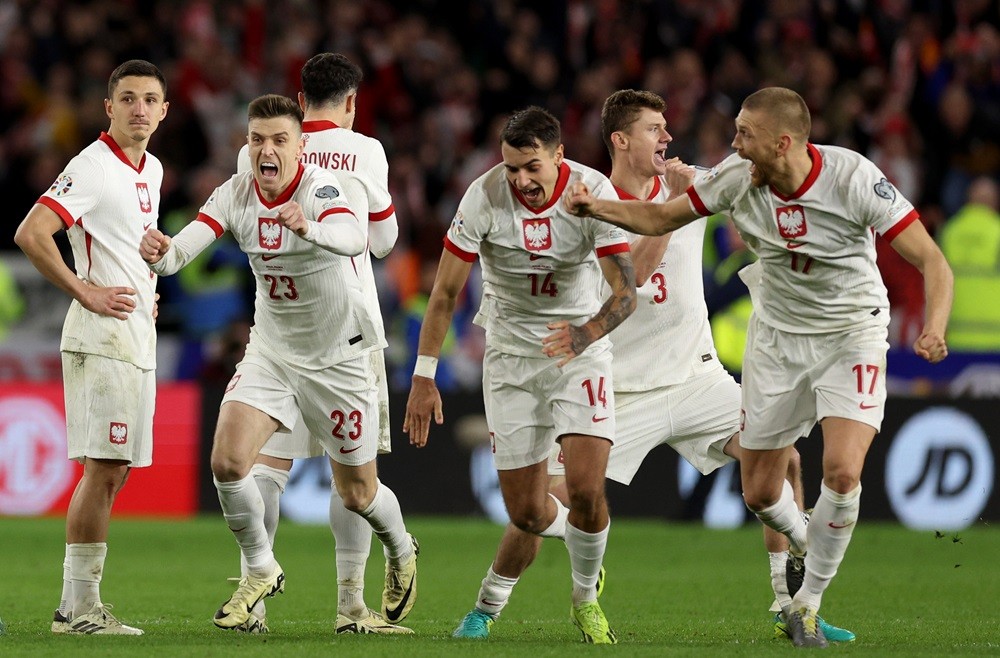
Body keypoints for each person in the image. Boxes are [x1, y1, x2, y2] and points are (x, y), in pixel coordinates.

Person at [450, 89, 853, 644]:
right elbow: (629, 282)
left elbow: (770, 175)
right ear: (620, 140)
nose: (667, 138)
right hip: (619, 387)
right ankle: (487, 607)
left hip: (695, 377)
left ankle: (793, 607)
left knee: (782, 460)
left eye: (667, 128)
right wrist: (678, 209)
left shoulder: (696, 185)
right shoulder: (586, 200)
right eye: (653, 129)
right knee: (544, 505)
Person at [565, 86, 953, 648]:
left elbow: (930, 259)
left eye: (745, 133)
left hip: (851, 335)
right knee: (759, 491)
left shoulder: (853, 178)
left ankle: (807, 606)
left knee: (841, 472)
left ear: (783, 141)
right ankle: (801, 540)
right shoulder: (735, 177)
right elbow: (659, 217)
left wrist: (935, 325)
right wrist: (594, 205)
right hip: (775, 342)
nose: (734, 142)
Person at [139, 93, 417, 633]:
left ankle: (402, 548)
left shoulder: (321, 189)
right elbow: (180, 254)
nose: (267, 149)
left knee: (357, 492)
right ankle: (261, 570)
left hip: (340, 355)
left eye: (279, 139)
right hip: (273, 351)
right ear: (247, 145)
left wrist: (309, 226)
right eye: (257, 139)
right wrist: (160, 251)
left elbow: (353, 234)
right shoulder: (237, 191)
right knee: (227, 463)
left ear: (301, 145)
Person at [404, 106, 637, 644]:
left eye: (532, 167)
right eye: (512, 168)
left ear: (559, 155)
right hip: (509, 354)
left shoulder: (592, 191)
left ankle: (585, 600)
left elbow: (626, 293)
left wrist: (585, 334)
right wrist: (424, 375)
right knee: (528, 512)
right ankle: (585, 542)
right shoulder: (483, 197)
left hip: (579, 349)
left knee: (584, 488)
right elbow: (443, 293)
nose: (521, 180)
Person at [228, 52, 410, 635]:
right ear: (353, 103)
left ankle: (251, 599)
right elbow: (382, 242)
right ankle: (351, 606)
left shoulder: (258, 151)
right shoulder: (369, 151)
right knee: (350, 478)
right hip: (346, 330)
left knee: (265, 466)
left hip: (283, 324)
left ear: (300, 104)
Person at [14, 59, 168, 636]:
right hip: (99, 338)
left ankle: (76, 605)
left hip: (135, 335)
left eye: (149, 99)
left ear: (163, 110)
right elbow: (31, 233)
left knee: (114, 470)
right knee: (103, 468)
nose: (138, 109)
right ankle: (78, 611)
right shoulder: (94, 166)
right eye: (127, 98)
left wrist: (149, 269)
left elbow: (120, 240)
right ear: (109, 108)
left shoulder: (151, 169)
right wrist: (87, 291)